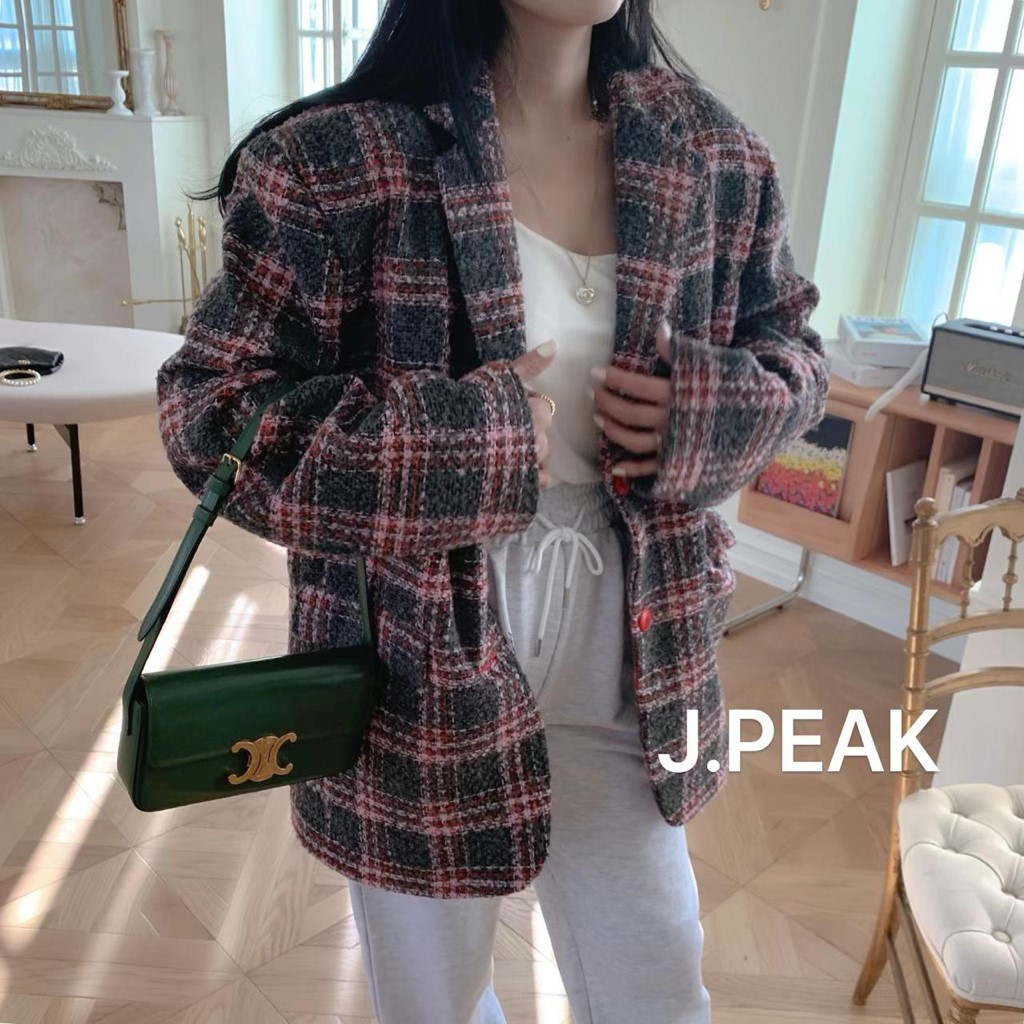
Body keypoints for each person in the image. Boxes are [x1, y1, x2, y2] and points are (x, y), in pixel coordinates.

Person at [156, 2, 830, 1021]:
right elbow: (211, 415)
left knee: (657, 989)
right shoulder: (334, 161)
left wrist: (716, 409)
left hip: (638, 649)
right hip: (411, 662)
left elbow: (794, 349)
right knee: (432, 1002)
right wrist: (466, 442)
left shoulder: (712, 153)